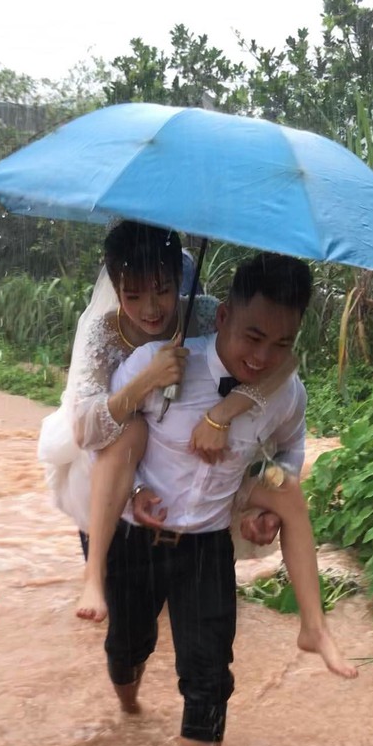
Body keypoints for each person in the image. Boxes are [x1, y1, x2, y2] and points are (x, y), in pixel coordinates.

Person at [106, 252, 357, 746]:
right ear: (221, 319)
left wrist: (265, 500)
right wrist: (130, 491)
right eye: (253, 337)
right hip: (136, 538)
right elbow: (103, 446)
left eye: (282, 345)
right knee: (128, 646)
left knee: (209, 678)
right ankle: (127, 706)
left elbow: (289, 453)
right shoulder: (161, 365)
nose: (263, 357)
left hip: (206, 549)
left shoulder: (284, 392)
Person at [69, 222, 294, 623]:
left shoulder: (206, 314)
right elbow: (86, 431)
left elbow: (281, 365)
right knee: (126, 633)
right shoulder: (104, 333)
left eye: (164, 290)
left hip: (183, 465)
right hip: (111, 461)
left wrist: (222, 414)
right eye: (133, 295)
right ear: (116, 290)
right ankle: (95, 575)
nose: (151, 309)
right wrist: (145, 382)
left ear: (180, 279)